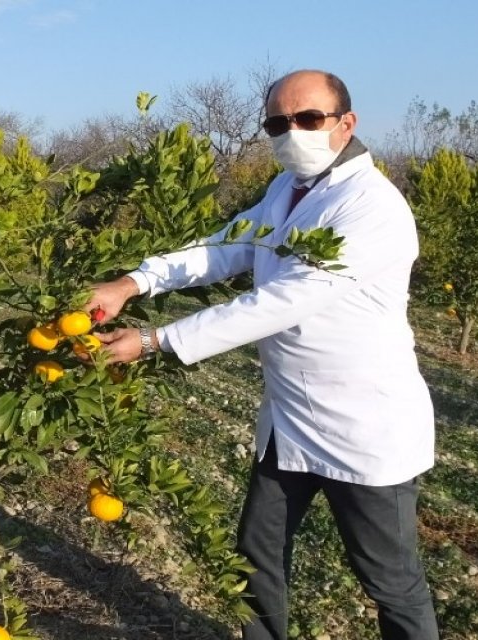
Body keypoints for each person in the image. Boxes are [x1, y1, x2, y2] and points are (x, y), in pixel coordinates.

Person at [85, 70, 438, 639]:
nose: (292, 132)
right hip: (291, 417)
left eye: (308, 118)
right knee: (256, 555)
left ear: (346, 123)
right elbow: (225, 248)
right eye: (278, 123)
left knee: (389, 581)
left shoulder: (372, 207)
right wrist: (133, 282)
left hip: (364, 425)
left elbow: (280, 302)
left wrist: (155, 340)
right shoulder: (287, 190)